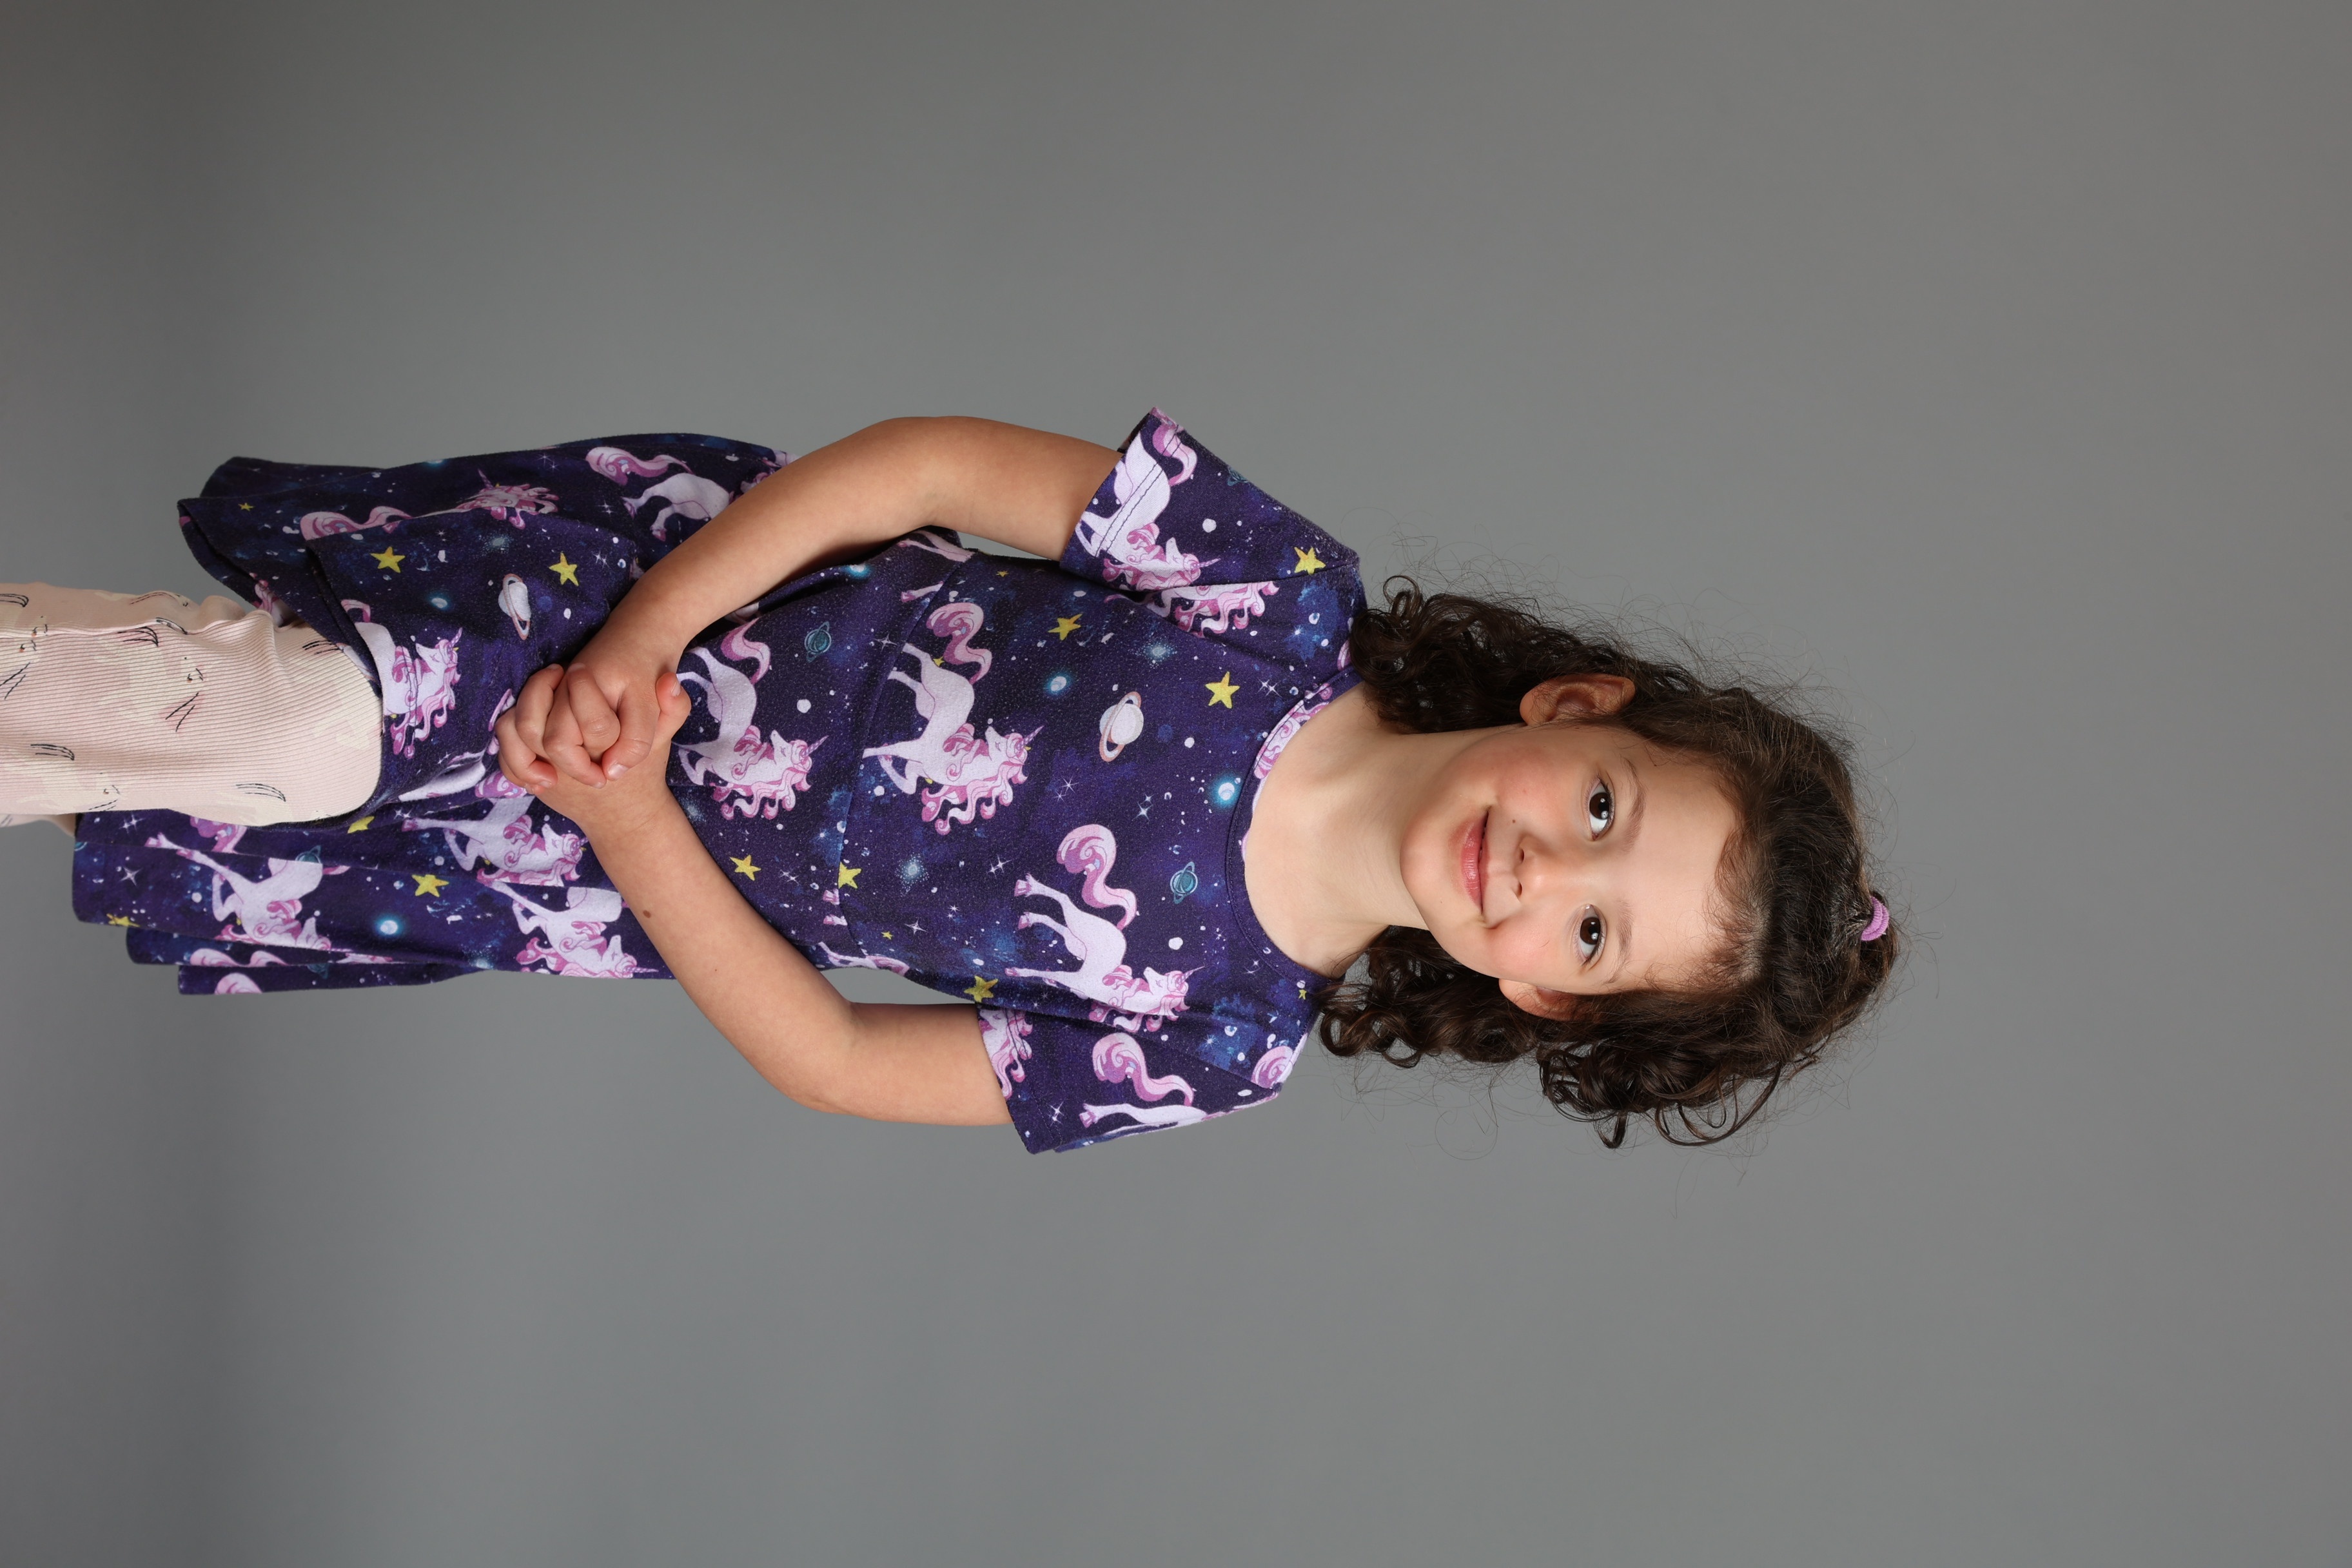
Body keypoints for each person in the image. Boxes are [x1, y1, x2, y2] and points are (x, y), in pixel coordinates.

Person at [1, 411, 1897, 1150]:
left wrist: (629, 817)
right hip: (629, 614)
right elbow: (919, 469)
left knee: (172, 748)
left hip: (581, 844)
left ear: (1549, 999)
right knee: (275, 726)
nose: (1544, 869)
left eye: (1593, 931)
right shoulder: (1275, 600)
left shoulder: (1215, 1040)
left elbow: (836, 1058)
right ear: (1576, 708)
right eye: (1602, 812)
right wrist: (646, 641)